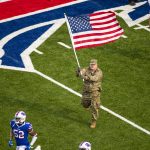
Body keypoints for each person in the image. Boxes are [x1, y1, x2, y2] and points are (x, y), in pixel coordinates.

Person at [76, 59, 103, 128]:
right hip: (86, 91)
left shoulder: (99, 72)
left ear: (96, 65)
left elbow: (93, 78)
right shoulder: (86, 69)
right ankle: (87, 105)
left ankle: (93, 121)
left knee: (94, 107)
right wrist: (78, 72)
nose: (92, 66)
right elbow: (79, 74)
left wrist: (84, 77)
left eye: (93, 65)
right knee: (84, 103)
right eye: (91, 64)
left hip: (95, 92)